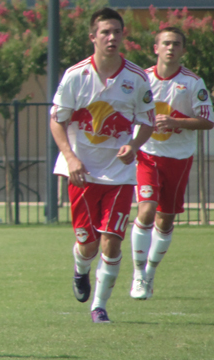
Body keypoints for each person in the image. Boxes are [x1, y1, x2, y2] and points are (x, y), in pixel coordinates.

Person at [50, 8, 155, 323]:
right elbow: (57, 121)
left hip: (120, 174)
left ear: (123, 36)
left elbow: (148, 122)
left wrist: (134, 145)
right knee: (88, 245)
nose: (112, 38)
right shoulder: (75, 76)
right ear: (93, 37)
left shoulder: (136, 78)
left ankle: (100, 306)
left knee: (111, 240)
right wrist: (70, 157)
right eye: (105, 32)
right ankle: (81, 269)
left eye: (117, 32)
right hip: (82, 173)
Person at [129, 27, 214, 300]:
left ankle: (151, 273)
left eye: (176, 44)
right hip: (147, 154)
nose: (170, 48)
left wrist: (175, 122)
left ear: (183, 50)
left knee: (164, 222)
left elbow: (208, 120)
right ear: (156, 48)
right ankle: (138, 273)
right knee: (146, 209)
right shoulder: (142, 78)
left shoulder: (192, 82)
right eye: (165, 43)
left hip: (178, 158)